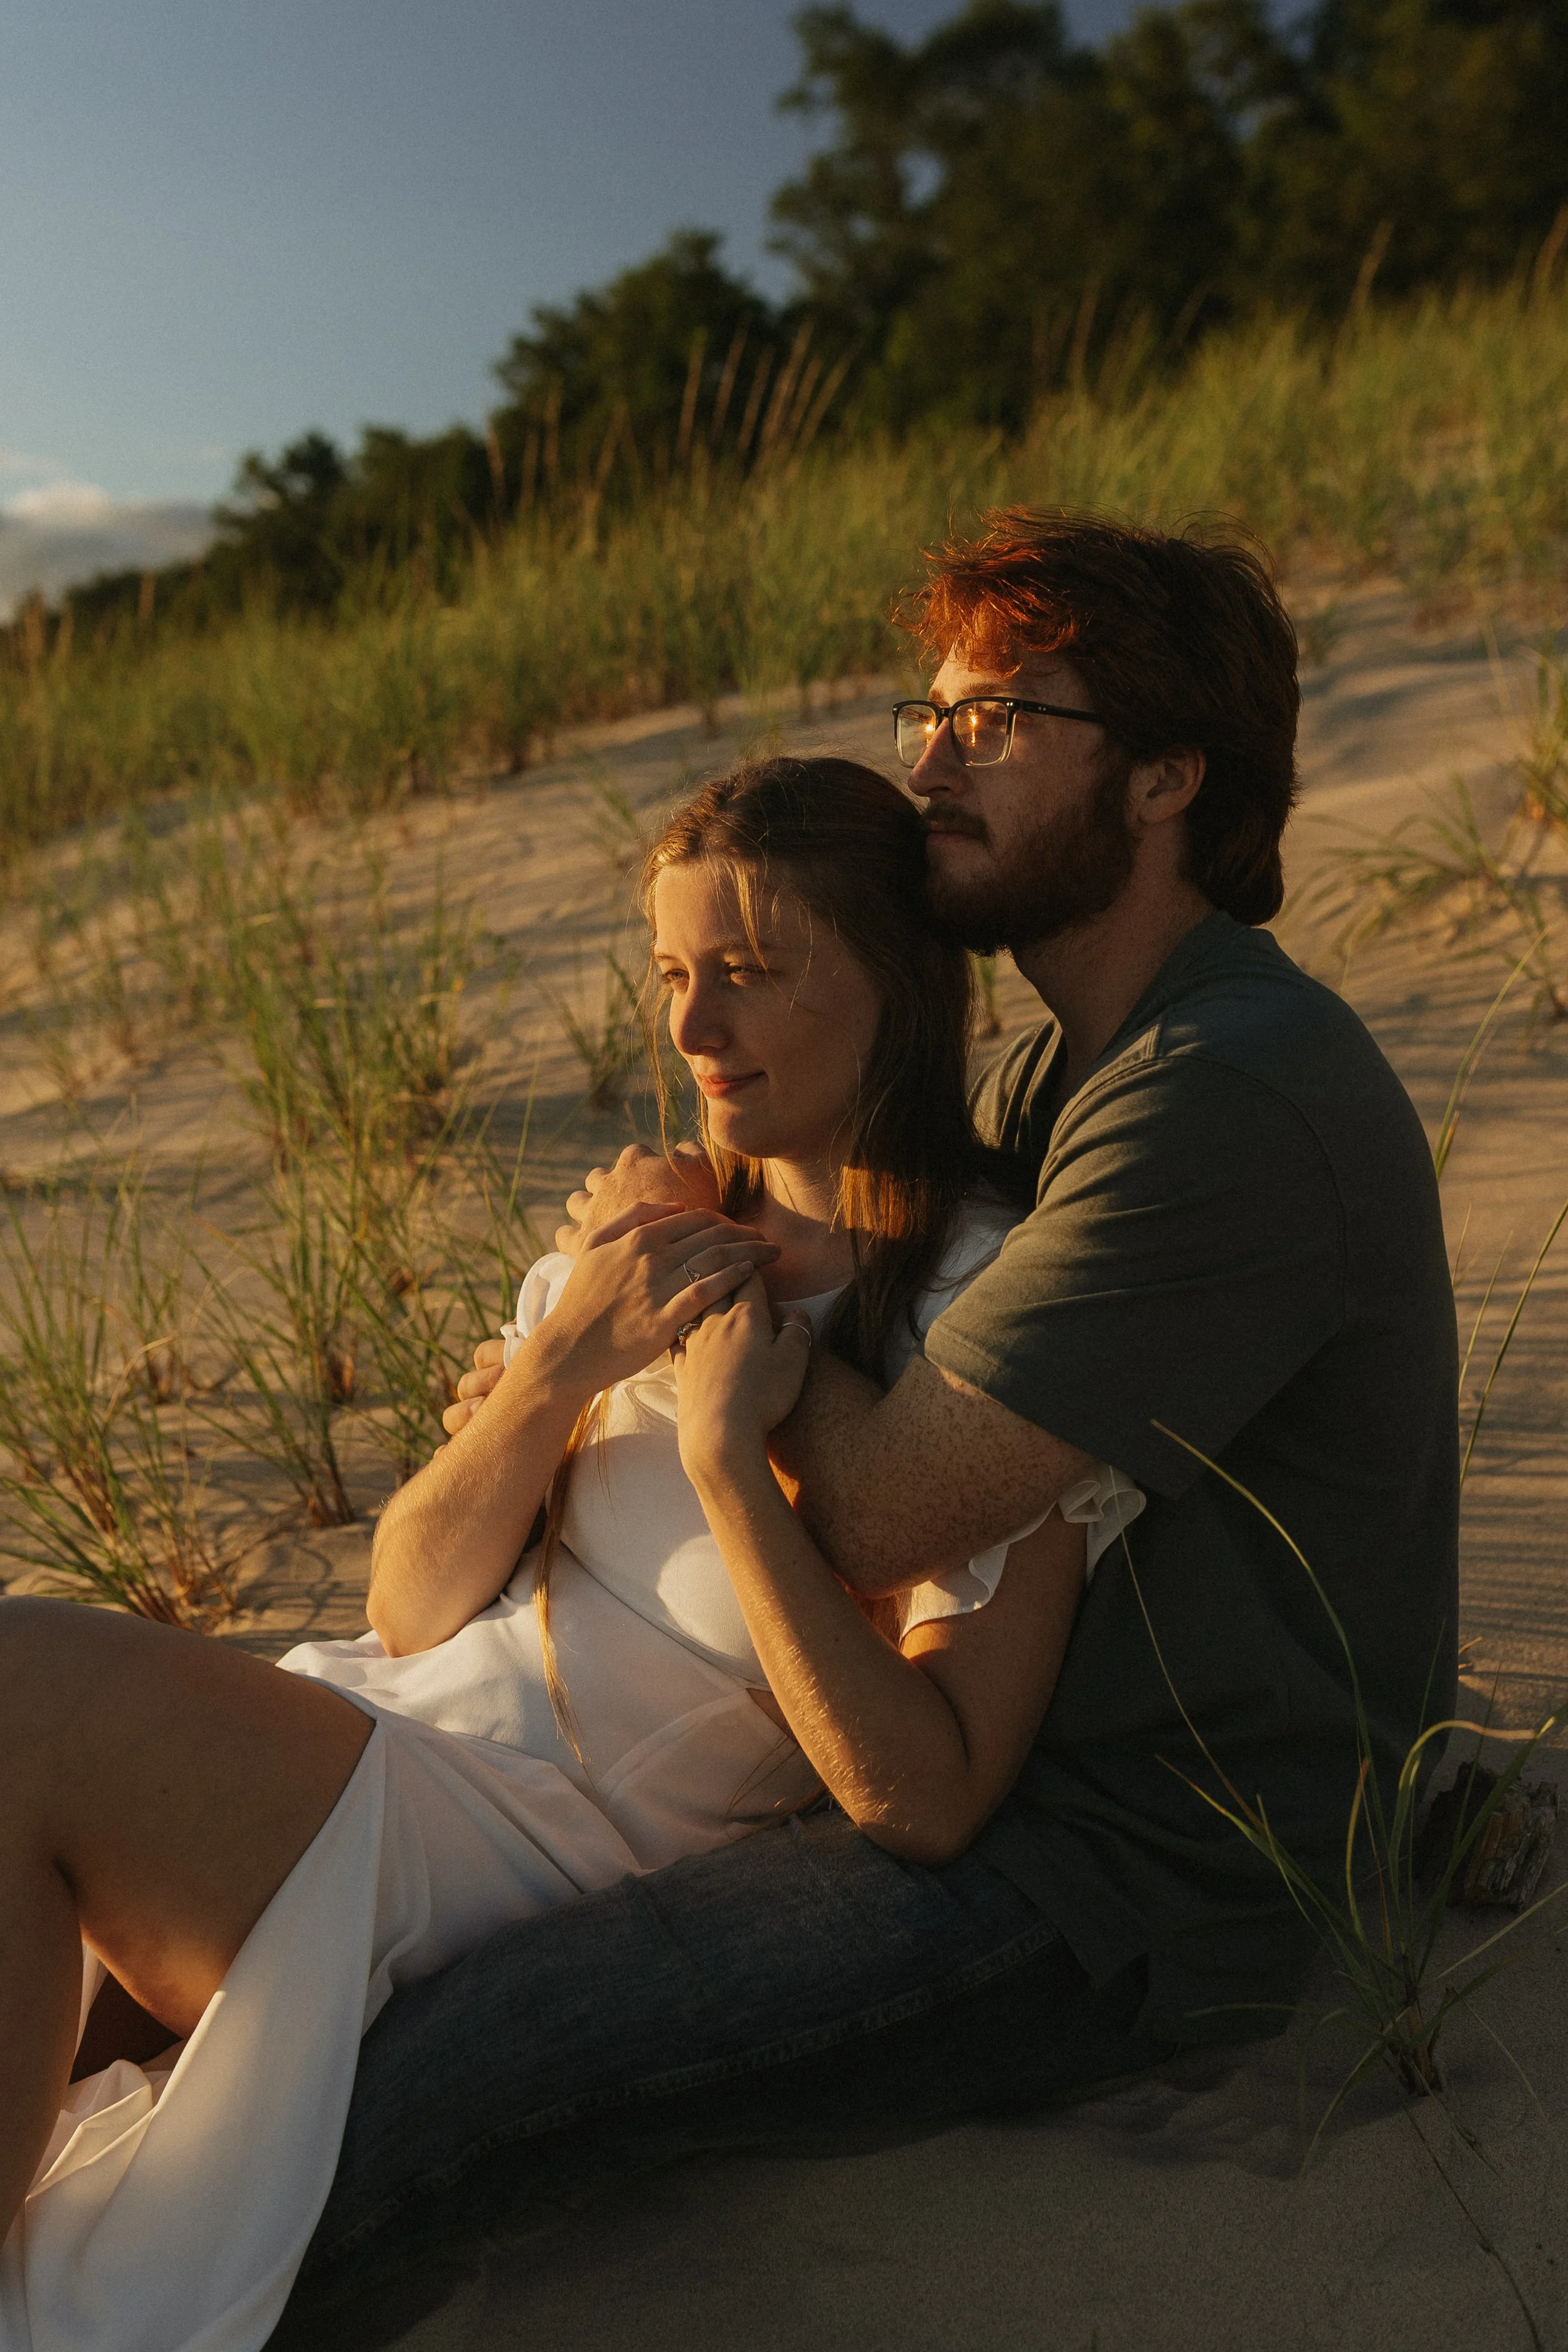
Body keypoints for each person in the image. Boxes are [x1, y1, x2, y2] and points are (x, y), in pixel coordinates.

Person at [272, 508, 1459, 2328]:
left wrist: (675, 1281)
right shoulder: (1070, 1064)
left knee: (453, 2077)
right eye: (933, 709)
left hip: (1126, 1866)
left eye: (996, 720)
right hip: (964, 1743)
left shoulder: (1225, 1092)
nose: (927, 758)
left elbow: (894, 1498)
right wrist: (592, 1336)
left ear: (1161, 776)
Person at [1, 756, 1132, 2352]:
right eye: (672, 975)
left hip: (534, 1842)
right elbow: (407, 1601)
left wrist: (728, 1458)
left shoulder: (975, 1315)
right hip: (379, 1729)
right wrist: (560, 1365)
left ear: (894, 980)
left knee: (22, 1686)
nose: (687, 1031)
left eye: (746, 974)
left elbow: (930, 1797)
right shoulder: (650, 1231)